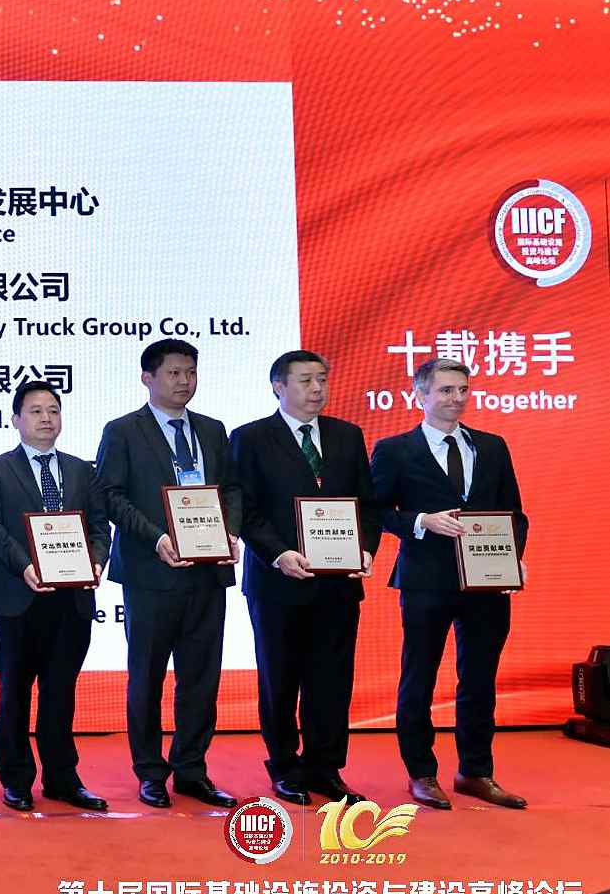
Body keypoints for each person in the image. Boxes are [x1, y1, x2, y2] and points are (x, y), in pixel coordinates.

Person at [371, 358, 530, 810]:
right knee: (419, 677)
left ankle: (475, 771)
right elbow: (375, 510)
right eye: (445, 390)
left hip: (487, 581)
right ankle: (421, 772)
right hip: (426, 580)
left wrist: (512, 559)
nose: (457, 398)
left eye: (462, 389)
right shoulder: (395, 449)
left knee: (480, 678)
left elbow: (514, 513)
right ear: (420, 395)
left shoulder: (492, 446)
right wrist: (421, 521)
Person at [95, 339, 241, 810]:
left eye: (190, 373)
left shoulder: (213, 430)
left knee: (201, 677)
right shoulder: (123, 431)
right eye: (174, 373)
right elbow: (110, 496)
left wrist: (230, 531)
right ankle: (150, 772)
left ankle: (192, 770)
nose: (184, 382)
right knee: (147, 677)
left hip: (207, 573)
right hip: (151, 572)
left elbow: (231, 489)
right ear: (148, 378)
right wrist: (157, 537)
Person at [230, 351, 380, 807]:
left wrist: (365, 548)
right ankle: (283, 765)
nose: (317, 389)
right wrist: (278, 554)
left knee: (332, 677)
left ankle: (325, 766)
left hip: (337, 582)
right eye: (305, 380)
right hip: (278, 581)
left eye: (322, 379)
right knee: (280, 677)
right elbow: (244, 508)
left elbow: (367, 503)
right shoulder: (251, 438)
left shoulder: (347, 435)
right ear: (278, 386)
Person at [0, 380, 110, 812]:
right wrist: (25, 566)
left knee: (61, 692)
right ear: (16, 420)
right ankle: (16, 779)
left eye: (53, 410)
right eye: (35, 411)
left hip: (72, 599)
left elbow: (99, 526)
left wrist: (96, 561)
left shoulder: (81, 469)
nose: (46, 418)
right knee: (15, 691)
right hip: (19, 595)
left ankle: (62, 778)